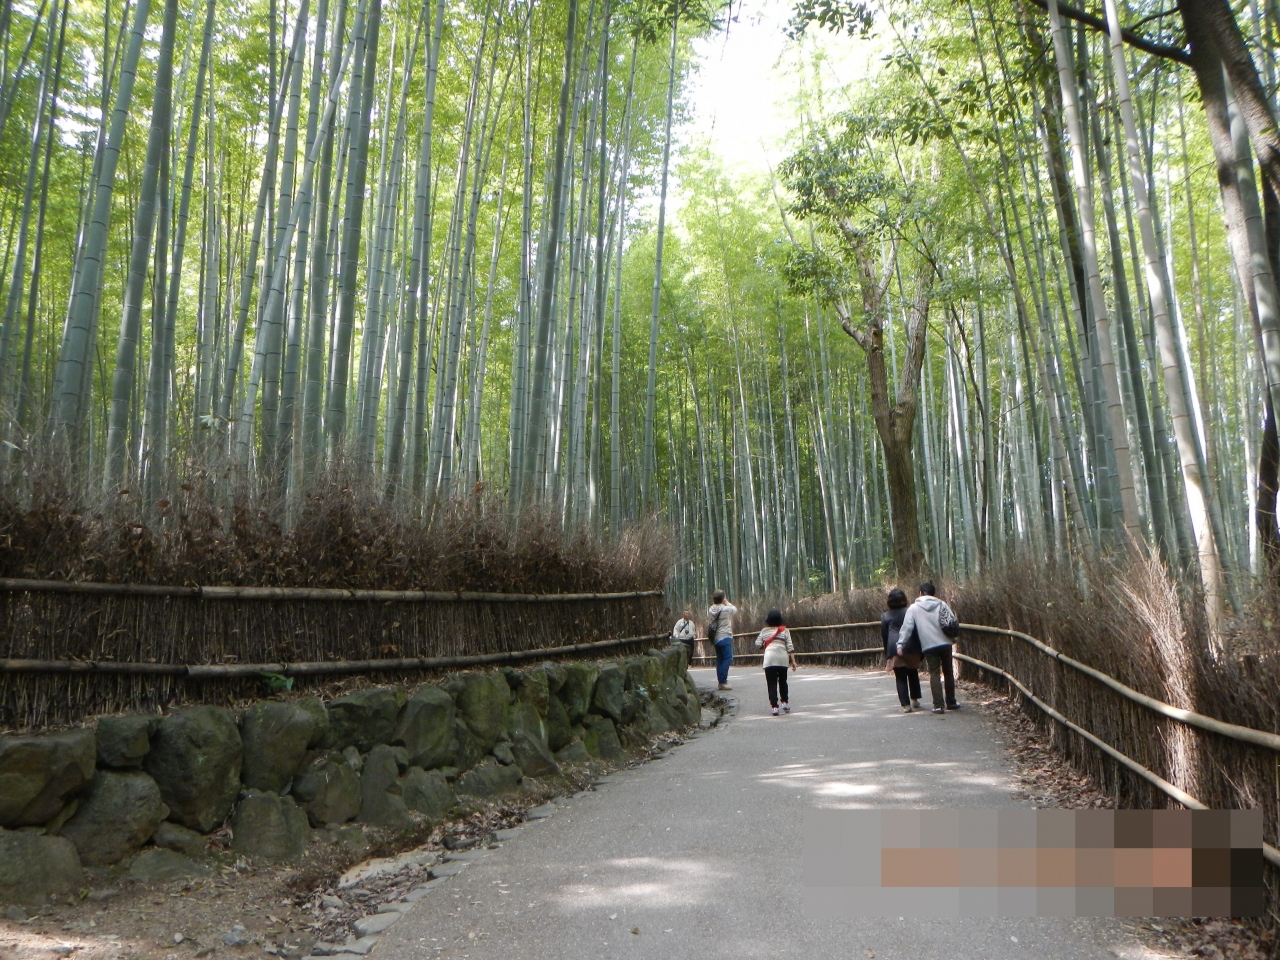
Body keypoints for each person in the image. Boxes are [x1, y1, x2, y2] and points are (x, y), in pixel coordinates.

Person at [897, 582, 960, 714]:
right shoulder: (942, 604)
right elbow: (952, 621)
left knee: (934, 673)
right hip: (945, 642)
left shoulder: (913, 608)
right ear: (933, 593)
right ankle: (951, 702)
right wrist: (953, 638)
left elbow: (907, 627)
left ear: (920, 593)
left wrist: (900, 644)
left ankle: (938, 705)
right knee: (948, 672)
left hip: (929, 645)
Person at [882, 588, 921, 713]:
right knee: (913, 672)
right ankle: (915, 699)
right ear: (904, 599)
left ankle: (905, 705)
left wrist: (887, 652)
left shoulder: (886, 615)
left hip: (894, 647)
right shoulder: (911, 611)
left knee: (900, 676)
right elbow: (917, 629)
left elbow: (885, 635)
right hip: (912, 645)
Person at [754, 609, 797, 716]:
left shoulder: (764, 631)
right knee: (783, 681)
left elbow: (757, 644)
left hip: (769, 659)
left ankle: (774, 707)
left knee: (771, 683)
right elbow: (790, 647)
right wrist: (794, 662)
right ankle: (785, 702)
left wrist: (765, 644)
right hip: (782, 659)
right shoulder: (785, 631)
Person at [707, 590, 737, 691]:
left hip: (715, 638)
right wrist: (726, 602)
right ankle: (723, 682)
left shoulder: (711, 609)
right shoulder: (726, 609)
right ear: (722, 598)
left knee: (720, 660)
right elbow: (735, 609)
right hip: (725, 636)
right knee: (728, 659)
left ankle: (721, 682)